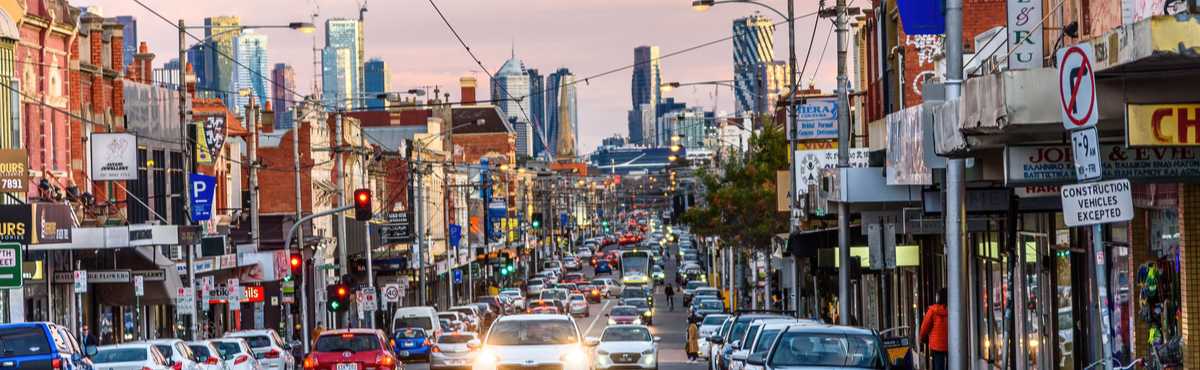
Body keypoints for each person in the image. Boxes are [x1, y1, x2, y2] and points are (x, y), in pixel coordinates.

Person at [919, 288, 949, 370]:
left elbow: (924, 327)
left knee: (938, 366)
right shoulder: (953, 310)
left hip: (937, 345)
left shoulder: (932, 310)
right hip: (951, 344)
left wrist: (921, 338)